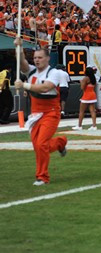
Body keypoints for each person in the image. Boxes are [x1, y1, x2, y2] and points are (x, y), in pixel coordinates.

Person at [14, 38, 67, 186]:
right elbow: (22, 63)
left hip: (51, 112)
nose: (37, 60)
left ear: (47, 59)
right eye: (35, 58)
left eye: (40, 57)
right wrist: (19, 48)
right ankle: (60, 142)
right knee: (38, 146)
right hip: (35, 113)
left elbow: (45, 88)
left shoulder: (54, 72)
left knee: (42, 144)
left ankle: (42, 176)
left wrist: (25, 85)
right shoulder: (31, 71)